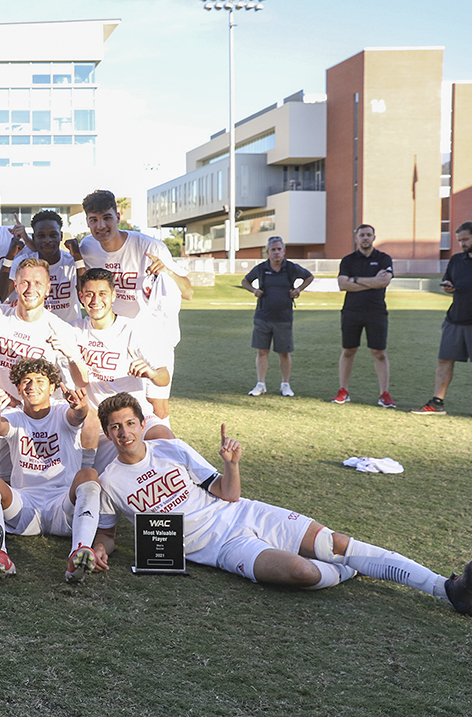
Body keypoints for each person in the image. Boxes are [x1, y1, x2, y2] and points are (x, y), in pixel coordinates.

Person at [87, 392, 472, 615]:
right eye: (115, 428)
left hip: (243, 512)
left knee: (336, 543)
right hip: (221, 548)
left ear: (141, 423)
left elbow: (228, 493)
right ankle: (353, 569)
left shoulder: (171, 448)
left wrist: (231, 464)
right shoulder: (110, 481)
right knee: (303, 572)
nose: (124, 433)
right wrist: (98, 552)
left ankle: (447, 589)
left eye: (130, 423)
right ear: (107, 433)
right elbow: (107, 534)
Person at [0, 357, 101, 586]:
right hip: (24, 507)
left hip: (62, 506)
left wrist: (81, 406)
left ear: (53, 387)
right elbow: (1, 426)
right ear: (18, 387)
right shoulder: (15, 416)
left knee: (89, 476)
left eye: (40, 380)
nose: (32, 386)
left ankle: (79, 550)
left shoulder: (61, 412)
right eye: (26, 381)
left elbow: (77, 415)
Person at [76, 189, 192, 419]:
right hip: (116, 338)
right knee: (117, 406)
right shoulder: (87, 246)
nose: (100, 226)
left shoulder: (150, 247)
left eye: (107, 218)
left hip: (153, 335)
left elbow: (188, 291)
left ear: (118, 216)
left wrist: (167, 271)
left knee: (156, 405)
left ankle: (163, 451)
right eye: (94, 220)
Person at [0, 258, 80, 404]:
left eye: (38, 283)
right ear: (16, 286)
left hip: (40, 417)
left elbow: (74, 383)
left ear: (48, 288)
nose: (30, 289)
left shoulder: (60, 329)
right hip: (1, 413)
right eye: (25, 282)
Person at [241, 236, 314, 397]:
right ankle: (260, 384)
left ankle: (285, 385)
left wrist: (299, 289)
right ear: (267, 252)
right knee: (262, 352)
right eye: (273, 250)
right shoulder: (261, 268)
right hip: (263, 316)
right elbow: (245, 281)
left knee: (284, 353)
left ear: (284, 251)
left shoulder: (291, 268)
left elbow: (309, 276)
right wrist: (254, 291)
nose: (276, 252)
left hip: (284, 317)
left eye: (279, 249)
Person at [413, 222, 472, 415]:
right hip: (454, 320)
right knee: (444, 361)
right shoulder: (456, 260)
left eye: (465, 239)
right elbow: (451, 281)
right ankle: (437, 403)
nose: (462, 244)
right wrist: (448, 285)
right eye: (460, 240)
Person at [334, 224, 394, 407]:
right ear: (356, 238)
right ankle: (343, 391)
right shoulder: (348, 260)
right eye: (362, 235)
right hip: (352, 311)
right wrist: (371, 281)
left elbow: (384, 281)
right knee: (348, 351)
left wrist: (356, 280)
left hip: (376, 312)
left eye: (368, 235)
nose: (365, 238)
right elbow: (343, 284)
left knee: (379, 353)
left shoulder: (384, 259)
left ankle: (384, 394)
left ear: (374, 237)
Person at [0, 210, 79, 322]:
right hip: (32, 332)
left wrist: (78, 259)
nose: (47, 240)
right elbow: (0, 297)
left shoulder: (72, 262)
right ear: (34, 238)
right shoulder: (22, 263)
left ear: (61, 236)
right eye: (41, 236)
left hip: (67, 331)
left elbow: (84, 295)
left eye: (53, 235)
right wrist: (9, 257)